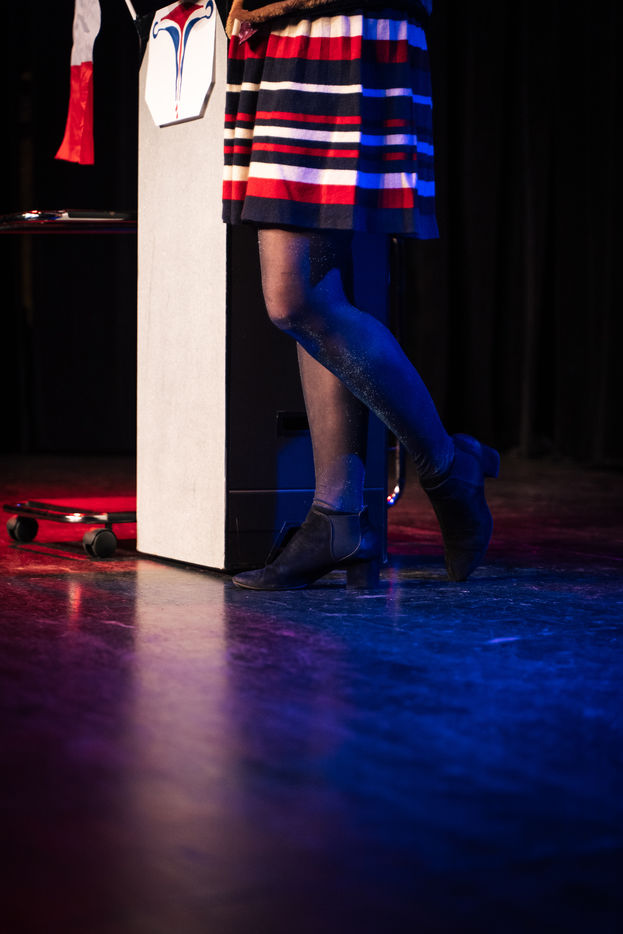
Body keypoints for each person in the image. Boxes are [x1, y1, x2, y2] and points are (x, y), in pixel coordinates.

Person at [221, 0, 499, 590]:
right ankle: (339, 516)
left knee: (295, 297)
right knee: (315, 292)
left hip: (338, 33)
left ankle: (447, 468)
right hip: (288, 37)